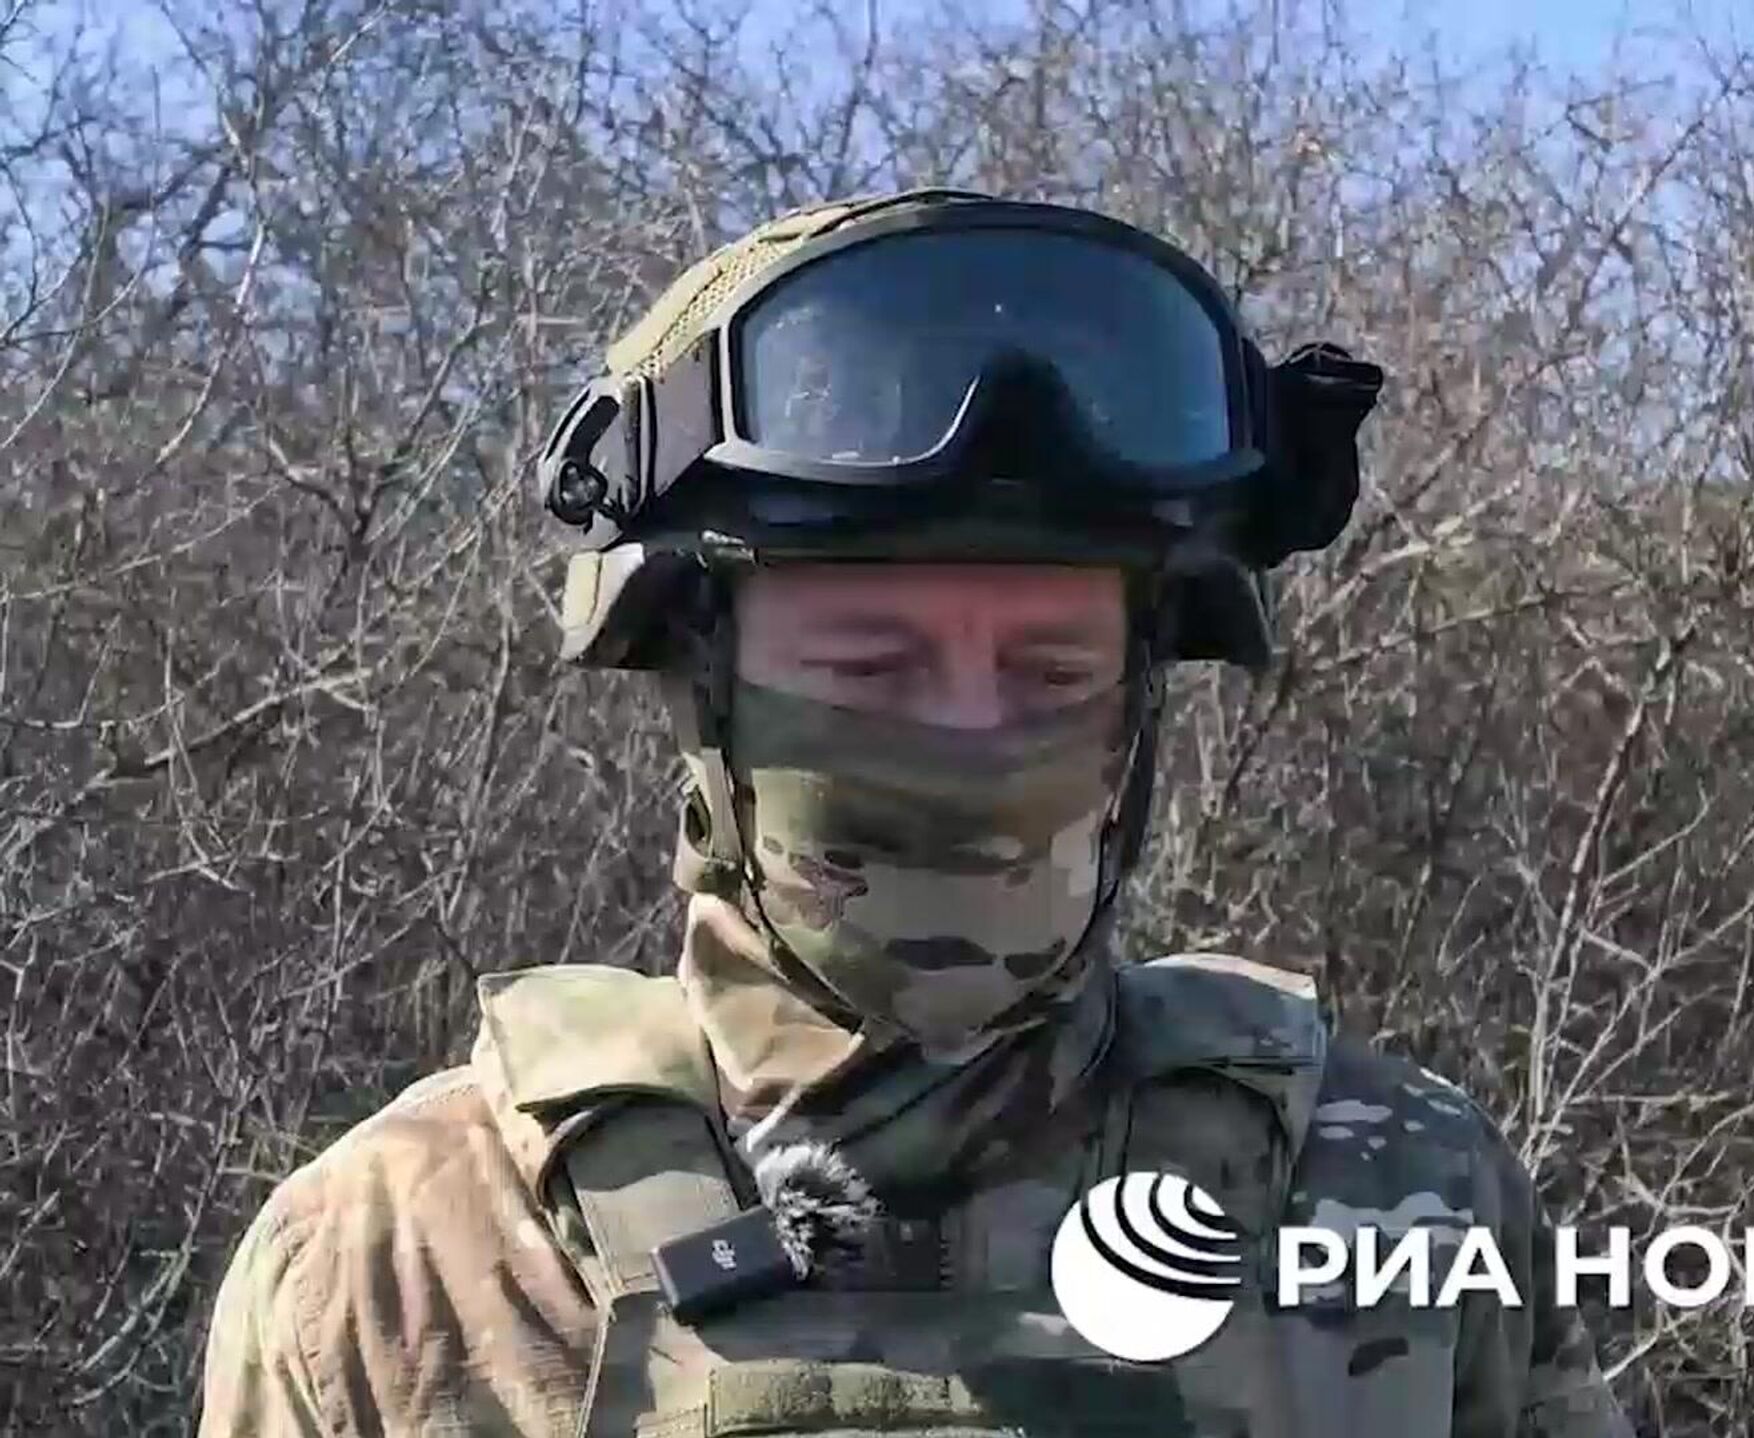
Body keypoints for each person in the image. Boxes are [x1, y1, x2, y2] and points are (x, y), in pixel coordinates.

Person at [198, 189, 1634, 1437]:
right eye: (871, 668)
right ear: (704, 693)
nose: (971, 737)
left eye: (1050, 670)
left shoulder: (1398, 1194)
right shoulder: (404, 1264)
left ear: (1140, 705)